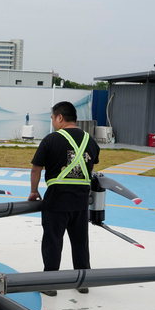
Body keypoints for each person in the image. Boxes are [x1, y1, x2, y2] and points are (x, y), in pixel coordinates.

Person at [28, 101, 100, 295]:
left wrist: (34, 191)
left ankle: (50, 285)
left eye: (52, 118)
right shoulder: (90, 141)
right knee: (80, 243)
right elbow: (90, 167)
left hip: (56, 200)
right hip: (81, 202)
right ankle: (83, 282)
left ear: (60, 117)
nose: (52, 122)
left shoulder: (51, 140)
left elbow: (36, 168)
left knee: (53, 241)